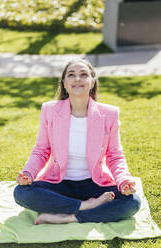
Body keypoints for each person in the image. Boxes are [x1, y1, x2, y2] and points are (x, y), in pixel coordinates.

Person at [13, 59, 141, 225]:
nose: (77, 79)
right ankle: (85, 206)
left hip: (94, 184)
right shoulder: (50, 110)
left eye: (84, 75)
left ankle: (70, 216)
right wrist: (28, 173)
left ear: (92, 82)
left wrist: (123, 181)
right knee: (21, 193)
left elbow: (114, 155)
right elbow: (41, 150)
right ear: (65, 84)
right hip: (59, 183)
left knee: (132, 202)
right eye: (71, 75)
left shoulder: (109, 114)